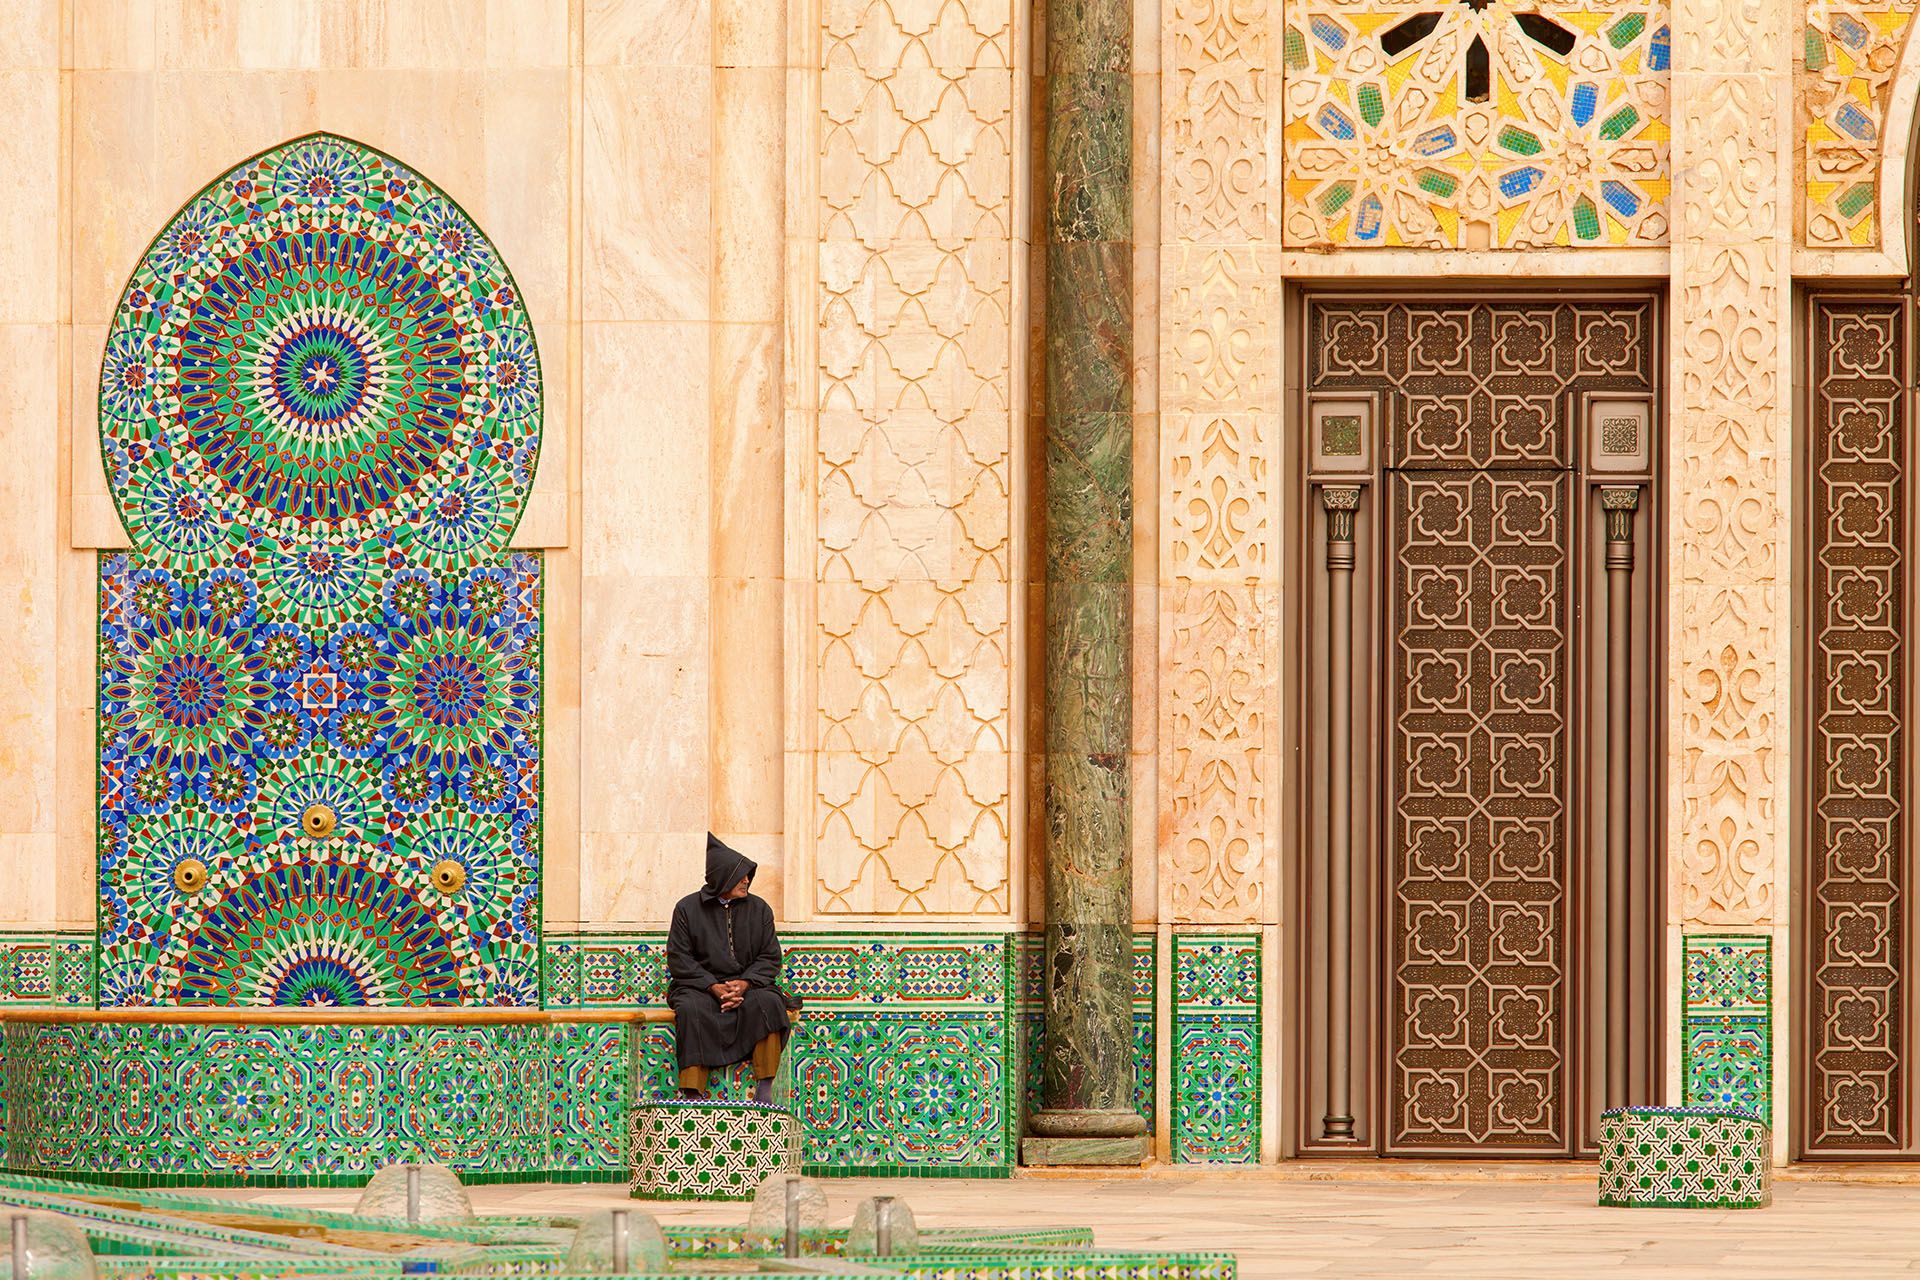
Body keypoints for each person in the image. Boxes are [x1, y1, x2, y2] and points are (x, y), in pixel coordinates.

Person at [666, 833, 792, 1103]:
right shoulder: (687, 909)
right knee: (690, 1009)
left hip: (748, 985)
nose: (747, 880)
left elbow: (770, 957)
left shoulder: (759, 909)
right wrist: (713, 986)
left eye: (747, 875)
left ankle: (765, 1088)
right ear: (721, 877)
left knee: (770, 1002)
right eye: (740, 875)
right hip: (700, 987)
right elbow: (679, 958)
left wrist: (744, 984)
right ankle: (691, 1090)